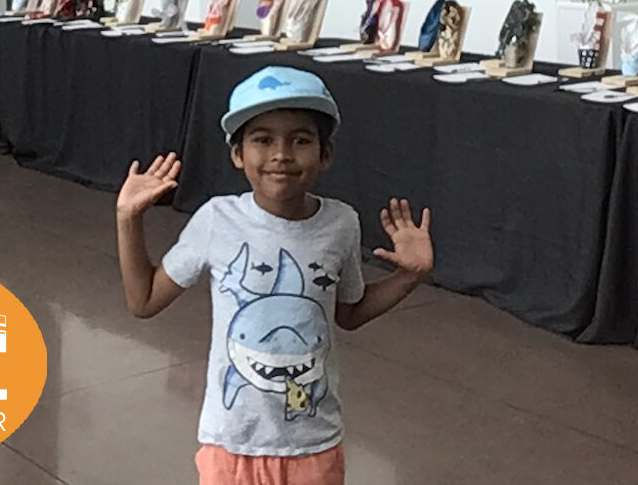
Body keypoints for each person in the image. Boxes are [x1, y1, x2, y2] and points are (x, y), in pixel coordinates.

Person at [116, 67, 433, 484]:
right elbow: (143, 300)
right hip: (232, 447)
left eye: (300, 140)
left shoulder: (341, 223)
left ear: (325, 154)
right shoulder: (217, 220)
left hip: (312, 445)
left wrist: (408, 277)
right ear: (237, 154)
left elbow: (348, 313)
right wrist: (127, 219)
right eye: (262, 140)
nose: (281, 154)